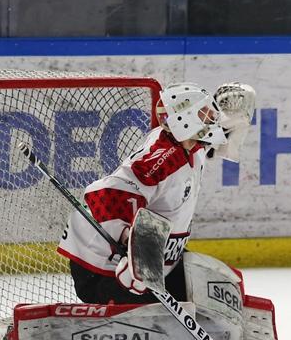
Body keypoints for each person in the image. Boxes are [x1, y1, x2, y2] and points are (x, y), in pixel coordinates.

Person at [57, 82, 256, 304]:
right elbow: (103, 194)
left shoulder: (191, 145)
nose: (213, 118)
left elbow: (217, 138)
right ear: (186, 119)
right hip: (105, 269)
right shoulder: (163, 159)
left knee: (225, 289)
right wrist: (136, 257)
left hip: (159, 261)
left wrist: (232, 115)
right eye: (205, 112)